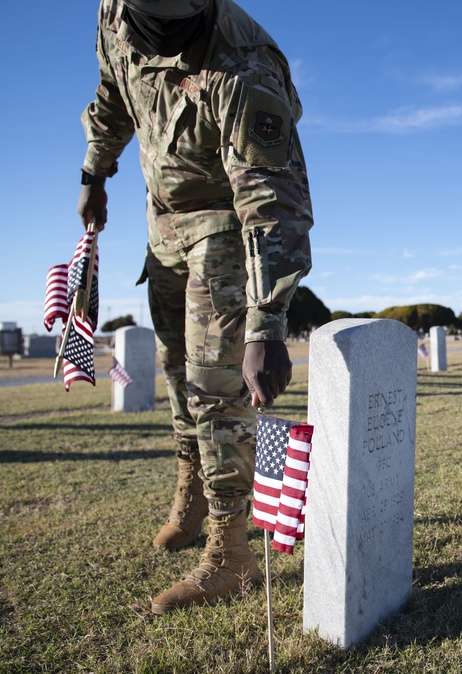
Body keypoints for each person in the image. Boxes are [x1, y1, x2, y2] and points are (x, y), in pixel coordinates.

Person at [77, 0, 313, 614]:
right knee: (178, 372)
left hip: (227, 229)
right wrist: (95, 172)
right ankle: (193, 493)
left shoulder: (244, 67)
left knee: (217, 386)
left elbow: (273, 204)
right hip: (162, 224)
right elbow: (113, 90)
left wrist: (266, 323)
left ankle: (230, 551)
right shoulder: (115, 16)